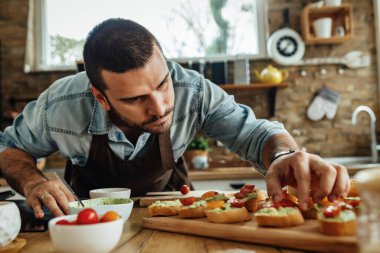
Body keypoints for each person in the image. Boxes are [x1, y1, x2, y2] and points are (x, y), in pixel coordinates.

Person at [0, 18, 350, 218]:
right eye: (136, 98)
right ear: (99, 96)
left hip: (173, 214)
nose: (160, 107)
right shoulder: (59, 105)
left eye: (162, 83)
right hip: (89, 226)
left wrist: (283, 156)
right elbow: (8, 146)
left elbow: (257, 134)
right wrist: (32, 181)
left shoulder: (193, 90)